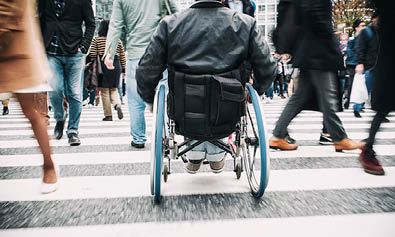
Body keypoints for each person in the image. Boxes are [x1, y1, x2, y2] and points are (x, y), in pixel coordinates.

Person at [135, 0, 276, 173]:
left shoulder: (170, 24)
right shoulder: (245, 23)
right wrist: (258, 90)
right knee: (223, 97)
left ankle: (195, 153)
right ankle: (216, 154)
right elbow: (267, 66)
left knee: (190, 94)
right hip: (228, 108)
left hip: (184, 109)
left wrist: (150, 100)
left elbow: (146, 70)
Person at [269, 0, 363, 152]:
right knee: (328, 97)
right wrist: (331, 42)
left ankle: (278, 135)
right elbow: (316, 15)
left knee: (299, 98)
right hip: (318, 50)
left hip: (309, 49)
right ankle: (339, 138)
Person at [0, 0, 58, 193]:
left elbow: (14, 8)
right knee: (31, 112)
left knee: (31, 112)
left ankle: (48, 165)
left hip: (15, 47)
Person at [104, 0, 178, 149]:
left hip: (136, 54)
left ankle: (138, 138)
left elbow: (115, 25)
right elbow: (176, 15)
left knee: (135, 101)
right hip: (161, 52)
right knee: (165, 95)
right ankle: (167, 134)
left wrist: (109, 54)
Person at [359, 0, 395, 175]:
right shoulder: (369, 30)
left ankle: (368, 147)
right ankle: (368, 148)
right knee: (385, 105)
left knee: (386, 105)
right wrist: (361, 63)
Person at [38, 0, 95, 146]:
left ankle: (73, 131)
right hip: (51, 52)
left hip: (74, 52)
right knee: (55, 88)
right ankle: (60, 117)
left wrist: (84, 47)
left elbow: (91, 23)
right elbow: (39, 20)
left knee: (74, 93)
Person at [89, 19, 125, 121]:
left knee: (104, 91)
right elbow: (122, 55)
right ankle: (117, 104)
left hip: (102, 65)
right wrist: (124, 69)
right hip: (116, 64)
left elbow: (92, 54)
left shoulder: (97, 40)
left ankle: (108, 115)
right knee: (114, 89)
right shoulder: (117, 40)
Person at [354, 12, 388, 123]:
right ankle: (357, 108)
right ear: (373, 19)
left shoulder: (382, 31)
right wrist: (360, 63)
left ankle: (381, 113)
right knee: (365, 89)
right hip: (369, 66)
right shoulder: (367, 31)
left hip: (381, 65)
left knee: (382, 91)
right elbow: (360, 48)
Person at [344, 19, 366, 111]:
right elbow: (349, 51)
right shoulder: (352, 40)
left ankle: (360, 103)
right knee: (351, 84)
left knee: (362, 84)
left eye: (365, 26)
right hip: (352, 64)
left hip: (363, 64)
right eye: (362, 26)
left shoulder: (366, 39)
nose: (364, 28)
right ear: (356, 28)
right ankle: (348, 101)